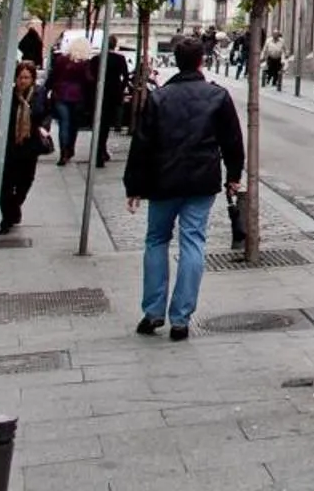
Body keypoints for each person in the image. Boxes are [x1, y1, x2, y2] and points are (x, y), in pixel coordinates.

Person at [125, 35, 247, 340]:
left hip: (163, 180)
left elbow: (141, 144)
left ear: (176, 61)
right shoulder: (217, 96)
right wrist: (233, 174)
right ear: (201, 61)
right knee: (193, 242)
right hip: (201, 181)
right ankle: (181, 318)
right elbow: (232, 140)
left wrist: (134, 186)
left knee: (156, 240)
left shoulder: (159, 98)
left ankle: (153, 313)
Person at [0, 61, 52, 232]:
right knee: (5, 184)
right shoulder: (7, 95)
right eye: (21, 77)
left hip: (30, 146)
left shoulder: (39, 94)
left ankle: (14, 207)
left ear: (32, 79)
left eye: (27, 78)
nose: (23, 81)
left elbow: (46, 113)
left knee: (25, 181)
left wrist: (44, 128)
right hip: (9, 146)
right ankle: (8, 218)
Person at [48, 44, 91, 164]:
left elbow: (53, 76)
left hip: (61, 94)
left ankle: (63, 153)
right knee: (74, 125)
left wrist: (47, 89)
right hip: (78, 97)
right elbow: (88, 81)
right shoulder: (84, 64)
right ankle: (70, 148)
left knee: (64, 124)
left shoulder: (61, 60)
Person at [93, 39, 132, 168]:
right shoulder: (120, 59)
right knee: (106, 124)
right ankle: (101, 151)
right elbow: (126, 76)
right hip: (114, 94)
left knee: (100, 124)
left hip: (100, 94)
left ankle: (100, 150)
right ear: (115, 45)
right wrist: (121, 89)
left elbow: (91, 77)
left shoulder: (96, 59)